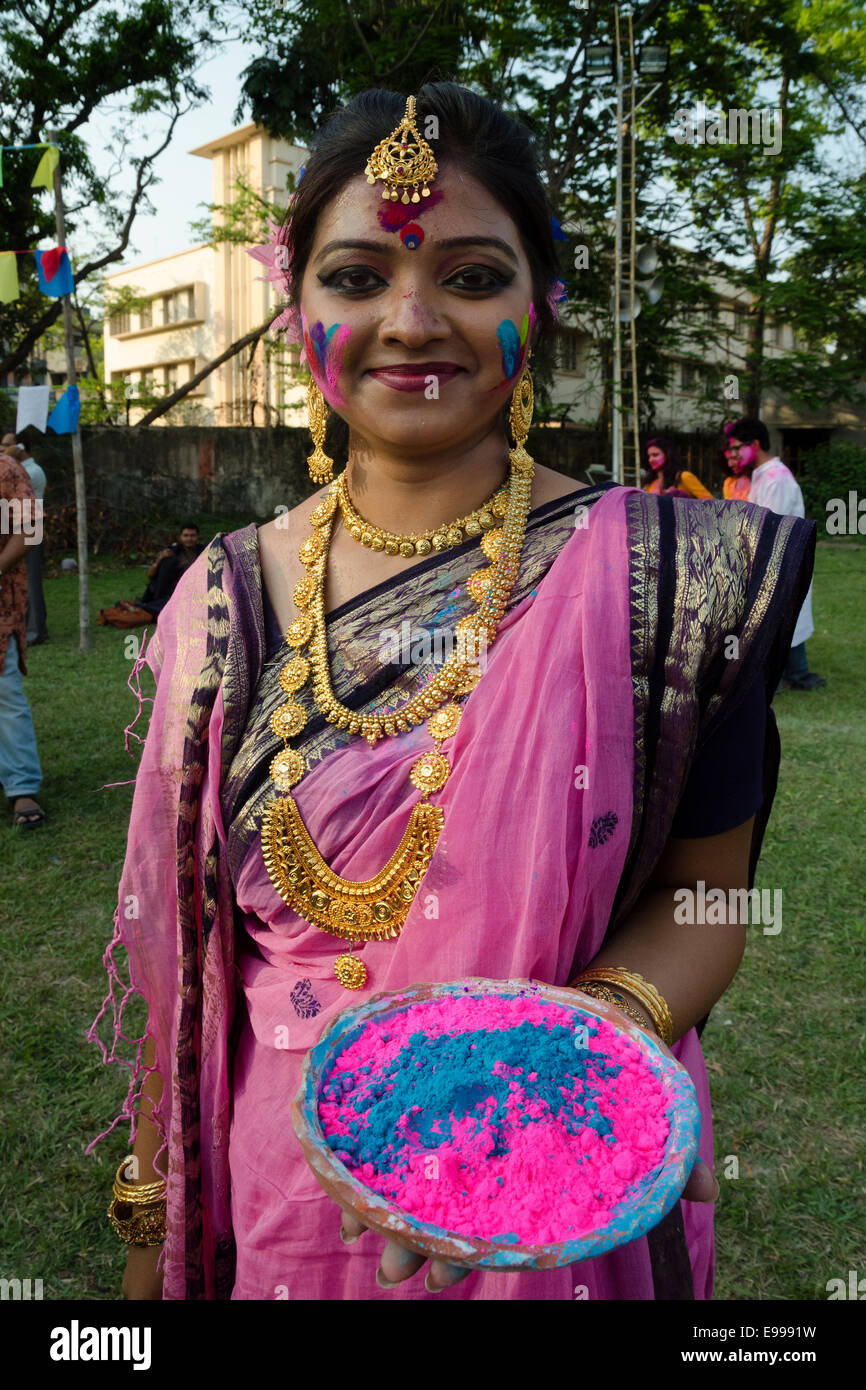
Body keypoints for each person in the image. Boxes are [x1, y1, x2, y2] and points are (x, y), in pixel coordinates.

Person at [91, 84, 815, 1302]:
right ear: (296, 312)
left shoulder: (672, 575)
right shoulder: (216, 599)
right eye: (357, 278)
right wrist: (153, 1201)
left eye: (472, 278)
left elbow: (705, 893)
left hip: (559, 1164)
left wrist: (571, 1053)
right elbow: (192, 958)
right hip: (292, 1193)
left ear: (544, 305)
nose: (411, 319)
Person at [725, 417, 825, 691]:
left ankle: (785, 674)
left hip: (781, 562)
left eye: (737, 448)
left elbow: (771, 529)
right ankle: (796, 672)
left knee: (779, 618)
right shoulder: (763, 476)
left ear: (754, 445)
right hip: (776, 563)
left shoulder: (775, 479)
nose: (732, 455)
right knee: (784, 618)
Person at [0, 444, 45, 826]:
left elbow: (30, 529)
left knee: (5, 693)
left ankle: (21, 787)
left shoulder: (6, 470)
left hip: (1, 603)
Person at [1, 435, 48, 645]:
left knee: (31, 583)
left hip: (26, 532)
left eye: (6, 444)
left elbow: (9, 477)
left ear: (20, 447)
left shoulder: (31, 470)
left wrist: (7, 458)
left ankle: (36, 631)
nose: (3, 448)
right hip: (15, 532)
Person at [137, 522, 203, 617]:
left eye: (192, 536)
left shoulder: (203, 552)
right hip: (172, 592)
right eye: (186, 536)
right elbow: (150, 575)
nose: (189, 538)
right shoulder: (171, 552)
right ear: (180, 538)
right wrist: (159, 559)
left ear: (197, 537)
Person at [642, 436, 712, 498]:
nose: (650, 460)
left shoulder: (684, 477)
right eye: (649, 456)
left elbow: (710, 502)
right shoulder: (650, 481)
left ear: (668, 455)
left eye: (655, 455)